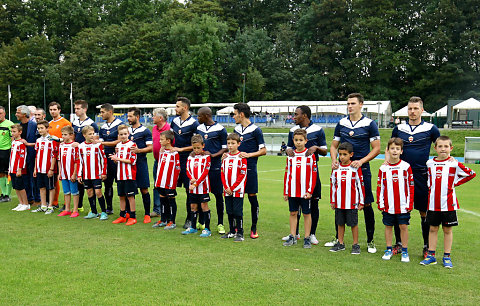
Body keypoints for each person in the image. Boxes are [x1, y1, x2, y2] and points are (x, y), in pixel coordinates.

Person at [389, 96, 440, 258]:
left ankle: (426, 246)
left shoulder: (431, 128)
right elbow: (390, 147)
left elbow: (440, 145)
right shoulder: (399, 129)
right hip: (401, 175)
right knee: (398, 209)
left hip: (421, 176)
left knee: (423, 212)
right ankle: (398, 244)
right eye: (410, 108)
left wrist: (447, 158)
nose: (412, 111)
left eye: (416, 108)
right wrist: (386, 165)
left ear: (422, 110)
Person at [329, 93, 380, 253]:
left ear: (361, 105)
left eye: (352, 103)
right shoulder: (341, 123)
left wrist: (362, 161)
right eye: (348, 103)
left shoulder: (370, 124)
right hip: (343, 169)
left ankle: (370, 240)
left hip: (361, 169)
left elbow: (377, 148)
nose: (349, 106)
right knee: (339, 202)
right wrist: (333, 160)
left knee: (365, 204)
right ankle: (339, 239)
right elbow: (333, 146)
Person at [420, 136, 476, 268]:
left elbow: (471, 173)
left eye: (446, 146)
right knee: (432, 229)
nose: (443, 149)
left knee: (447, 230)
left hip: (449, 204)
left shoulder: (454, 164)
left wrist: (454, 183)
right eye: (440, 146)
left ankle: (447, 256)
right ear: (435, 148)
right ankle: (431, 255)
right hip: (433, 203)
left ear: (451, 148)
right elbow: (429, 180)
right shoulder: (429, 163)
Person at [283, 105, 327, 245]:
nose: (294, 117)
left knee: (313, 202)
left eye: (296, 114)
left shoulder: (318, 130)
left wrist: (315, 148)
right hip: (296, 171)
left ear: (305, 116)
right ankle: (294, 234)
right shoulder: (292, 131)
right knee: (295, 204)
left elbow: (325, 150)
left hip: (311, 171)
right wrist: (288, 150)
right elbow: (290, 149)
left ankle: (311, 234)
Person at [232, 103, 266, 239]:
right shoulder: (236, 129)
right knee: (237, 198)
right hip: (236, 170)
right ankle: (237, 226)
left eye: (234, 114)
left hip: (250, 169)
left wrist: (248, 155)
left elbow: (263, 151)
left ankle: (253, 227)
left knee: (252, 198)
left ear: (241, 114)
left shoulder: (256, 130)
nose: (233, 117)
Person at [377, 138, 414, 262]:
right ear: (387, 150)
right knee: (388, 226)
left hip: (403, 205)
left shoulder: (406, 167)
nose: (395, 151)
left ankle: (404, 251)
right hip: (388, 204)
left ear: (401, 151)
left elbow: (410, 186)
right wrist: (380, 202)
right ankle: (388, 249)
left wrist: (410, 203)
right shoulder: (383, 168)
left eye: (397, 149)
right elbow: (380, 187)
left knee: (403, 226)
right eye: (392, 148)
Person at [282, 129, 317, 249]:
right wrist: (285, 191)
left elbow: (313, 175)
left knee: (306, 214)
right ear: (293, 141)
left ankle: (307, 237)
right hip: (292, 190)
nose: (298, 142)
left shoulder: (310, 156)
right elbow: (287, 174)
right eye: (296, 140)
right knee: (293, 213)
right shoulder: (290, 155)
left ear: (306, 141)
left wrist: (310, 191)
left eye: (301, 140)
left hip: (304, 192)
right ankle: (293, 235)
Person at [196, 107, 228, 234]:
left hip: (215, 167)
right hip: (202, 167)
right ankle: (202, 220)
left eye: (199, 116)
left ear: (207, 115)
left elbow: (224, 148)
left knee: (218, 195)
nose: (198, 118)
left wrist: (214, 155)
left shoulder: (220, 129)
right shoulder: (199, 129)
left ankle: (220, 223)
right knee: (201, 195)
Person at [329, 142, 365, 254]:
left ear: (351, 154)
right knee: (340, 223)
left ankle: (355, 244)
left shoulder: (355, 168)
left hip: (352, 203)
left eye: (345, 154)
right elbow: (333, 185)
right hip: (339, 202)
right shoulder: (336, 168)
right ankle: (340, 243)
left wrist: (361, 202)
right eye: (340, 154)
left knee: (353, 224)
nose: (342, 157)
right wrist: (333, 200)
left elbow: (360, 185)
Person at [170, 97, 199, 229]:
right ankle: (169, 218)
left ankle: (190, 217)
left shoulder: (194, 123)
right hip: (175, 159)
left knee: (189, 189)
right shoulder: (174, 121)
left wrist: (182, 149)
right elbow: (171, 138)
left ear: (185, 108)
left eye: (177, 106)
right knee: (170, 187)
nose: (175, 109)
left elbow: (196, 144)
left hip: (188, 160)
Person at [182, 135, 212, 237]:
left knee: (204, 206)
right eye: (194, 148)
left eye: (198, 148)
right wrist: (191, 178)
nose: (196, 150)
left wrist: (195, 183)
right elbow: (187, 170)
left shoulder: (206, 157)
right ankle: (193, 227)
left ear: (203, 146)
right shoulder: (190, 157)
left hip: (202, 187)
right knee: (193, 206)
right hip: (193, 188)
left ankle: (207, 228)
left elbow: (205, 173)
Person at [127, 107, 153, 223]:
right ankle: (129, 212)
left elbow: (150, 148)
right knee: (129, 189)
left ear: (137, 117)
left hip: (140, 163)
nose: (128, 118)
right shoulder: (127, 130)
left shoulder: (145, 131)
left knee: (144, 189)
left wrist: (139, 151)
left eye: (130, 116)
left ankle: (147, 214)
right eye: (127, 116)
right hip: (128, 165)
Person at [72, 100, 99, 212]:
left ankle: (95, 207)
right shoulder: (74, 122)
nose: (76, 110)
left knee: (89, 182)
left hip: (88, 156)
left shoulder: (92, 124)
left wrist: (81, 145)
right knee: (79, 179)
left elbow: (96, 140)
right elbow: (72, 136)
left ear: (85, 109)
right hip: (76, 154)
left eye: (78, 108)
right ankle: (79, 205)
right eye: (75, 108)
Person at [77, 126, 108, 221]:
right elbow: (80, 161)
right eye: (89, 134)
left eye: (93, 133)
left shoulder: (97, 145)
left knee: (98, 192)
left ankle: (103, 212)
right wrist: (79, 174)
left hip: (97, 174)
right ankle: (94, 212)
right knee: (89, 192)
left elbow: (104, 159)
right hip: (86, 175)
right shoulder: (81, 146)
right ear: (84, 135)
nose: (92, 136)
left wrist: (103, 172)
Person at [221, 133, 247, 242]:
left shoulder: (242, 157)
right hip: (227, 190)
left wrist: (233, 188)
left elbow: (242, 175)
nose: (230, 146)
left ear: (238, 144)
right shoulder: (225, 157)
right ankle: (231, 231)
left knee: (237, 212)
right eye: (228, 143)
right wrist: (226, 187)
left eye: (233, 143)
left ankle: (240, 233)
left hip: (237, 190)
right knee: (229, 211)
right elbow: (222, 173)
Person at [98, 103, 123, 214]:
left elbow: (119, 141)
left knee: (120, 182)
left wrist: (103, 143)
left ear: (110, 112)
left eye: (103, 112)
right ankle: (109, 207)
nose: (101, 114)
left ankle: (125, 208)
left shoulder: (120, 125)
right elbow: (101, 143)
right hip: (106, 158)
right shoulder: (102, 127)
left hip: (118, 158)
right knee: (107, 183)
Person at [111, 125, 138, 226]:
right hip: (120, 175)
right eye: (121, 134)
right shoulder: (118, 146)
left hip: (129, 175)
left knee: (130, 196)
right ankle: (122, 215)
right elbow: (117, 161)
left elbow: (132, 161)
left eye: (125, 134)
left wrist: (118, 159)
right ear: (118, 135)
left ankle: (132, 216)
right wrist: (114, 159)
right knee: (121, 196)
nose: (123, 136)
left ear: (129, 134)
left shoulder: (132, 145)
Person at [153, 130, 181, 230]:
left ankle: (172, 221)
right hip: (160, 181)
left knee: (171, 201)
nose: (160, 141)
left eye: (162, 140)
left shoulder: (174, 153)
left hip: (169, 183)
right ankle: (163, 220)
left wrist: (173, 182)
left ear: (168, 141)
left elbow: (177, 168)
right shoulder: (162, 151)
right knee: (163, 200)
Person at [31, 120, 59, 215]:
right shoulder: (38, 140)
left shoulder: (52, 140)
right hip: (39, 168)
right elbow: (37, 155)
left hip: (48, 169)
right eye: (38, 128)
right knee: (41, 187)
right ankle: (43, 205)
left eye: (42, 128)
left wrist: (51, 169)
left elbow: (54, 155)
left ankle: (50, 206)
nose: (40, 130)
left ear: (47, 128)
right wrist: (35, 168)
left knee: (51, 187)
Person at [48, 101, 71, 210]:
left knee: (66, 178)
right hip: (52, 155)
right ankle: (54, 201)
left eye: (54, 109)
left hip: (64, 154)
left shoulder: (65, 122)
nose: (52, 112)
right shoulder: (49, 123)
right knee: (54, 179)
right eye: (51, 110)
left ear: (59, 110)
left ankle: (69, 204)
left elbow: (70, 138)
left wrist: (59, 139)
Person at [16, 105, 40, 206]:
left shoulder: (34, 125)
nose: (16, 114)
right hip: (21, 157)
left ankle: (37, 199)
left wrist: (29, 145)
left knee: (34, 178)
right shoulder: (18, 126)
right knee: (24, 177)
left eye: (18, 112)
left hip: (32, 155)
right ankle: (28, 199)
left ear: (24, 114)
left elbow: (39, 141)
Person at [151, 108, 171, 218]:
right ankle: (157, 209)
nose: (152, 118)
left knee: (166, 185)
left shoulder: (169, 129)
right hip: (156, 161)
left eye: (154, 116)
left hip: (166, 162)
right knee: (156, 185)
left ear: (160, 118)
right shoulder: (154, 128)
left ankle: (167, 209)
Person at [57, 126, 80, 218]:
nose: (63, 136)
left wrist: (74, 173)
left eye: (65, 135)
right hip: (63, 173)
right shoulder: (61, 145)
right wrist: (59, 172)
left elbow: (76, 161)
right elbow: (59, 160)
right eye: (62, 134)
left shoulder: (74, 146)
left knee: (74, 192)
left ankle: (75, 210)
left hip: (71, 173)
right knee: (66, 192)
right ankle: (67, 209)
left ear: (71, 135)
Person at [9, 124, 29, 211]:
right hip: (12, 168)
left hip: (18, 169)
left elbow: (22, 157)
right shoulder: (13, 142)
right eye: (12, 131)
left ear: (20, 132)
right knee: (16, 187)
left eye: (14, 131)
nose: (12, 133)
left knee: (21, 187)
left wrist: (20, 169)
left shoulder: (21, 143)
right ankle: (20, 203)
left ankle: (26, 204)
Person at [0, 106, 14, 202]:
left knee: (7, 173)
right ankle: (3, 193)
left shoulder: (9, 124)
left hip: (6, 151)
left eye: (0, 113)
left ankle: (7, 194)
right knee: (0, 173)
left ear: (4, 114)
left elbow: (13, 138)